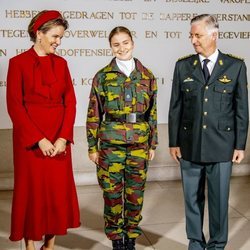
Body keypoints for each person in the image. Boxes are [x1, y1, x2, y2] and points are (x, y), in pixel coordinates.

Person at [168, 14, 248, 250]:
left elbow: (241, 109)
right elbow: (175, 107)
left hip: (222, 145)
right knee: (191, 200)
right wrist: (174, 142)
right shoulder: (183, 66)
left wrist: (240, 145)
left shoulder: (235, 66)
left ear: (214, 35)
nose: (193, 40)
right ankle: (195, 242)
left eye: (198, 35)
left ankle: (217, 244)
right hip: (189, 143)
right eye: (191, 35)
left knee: (219, 201)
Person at [6, 10, 80, 250]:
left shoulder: (62, 63)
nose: (58, 42)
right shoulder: (17, 63)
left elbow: (70, 102)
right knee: (33, 193)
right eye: (55, 36)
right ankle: (30, 245)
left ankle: (49, 245)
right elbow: (15, 106)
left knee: (56, 193)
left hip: (58, 139)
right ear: (39, 33)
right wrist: (39, 139)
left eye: (61, 37)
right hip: (30, 142)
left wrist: (62, 138)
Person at [86, 26, 158, 250]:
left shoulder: (147, 75)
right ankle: (117, 238)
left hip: (139, 143)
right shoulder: (102, 76)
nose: (121, 48)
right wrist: (92, 146)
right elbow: (94, 112)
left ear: (132, 43)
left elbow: (152, 112)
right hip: (110, 144)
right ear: (110, 47)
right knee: (112, 192)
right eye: (116, 44)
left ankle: (132, 237)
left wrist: (152, 143)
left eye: (125, 42)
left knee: (135, 193)